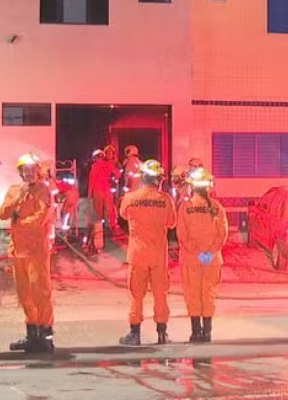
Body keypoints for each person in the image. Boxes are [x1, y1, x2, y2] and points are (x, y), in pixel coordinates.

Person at [0, 153, 56, 352]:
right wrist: (17, 200)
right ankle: (32, 334)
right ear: (20, 172)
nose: (30, 173)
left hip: (36, 251)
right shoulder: (15, 190)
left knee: (41, 292)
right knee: (24, 295)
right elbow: (2, 213)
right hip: (18, 252)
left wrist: (17, 222)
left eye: (33, 170)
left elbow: (39, 219)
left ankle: (46, 336)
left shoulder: (44, 191)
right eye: (26, 170)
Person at [118, 159, 177, 345]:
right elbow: (171, 223)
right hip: (159, 257)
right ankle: (162, 333)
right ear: (159, 179)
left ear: (143, 177)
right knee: (161, 295)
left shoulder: (130, 198)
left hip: (137, 256)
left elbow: (123, 215)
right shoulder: (166, 200)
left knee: (136, 296)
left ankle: (135, 334)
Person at [176, 167, 228, 343]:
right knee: (209, 294)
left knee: (192, 294)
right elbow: (223, 234)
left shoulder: (185, 206)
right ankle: (207, 333)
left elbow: (182, 234)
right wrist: (208, 253)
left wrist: (197, 253)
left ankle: (195, 332)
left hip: (191, 260)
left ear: (192, 187)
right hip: (212, 260)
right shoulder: (217, 207)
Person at [87, 146, 117, 251]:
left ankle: (96, 236)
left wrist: (89, 195)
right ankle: (110, 230)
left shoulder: (95, 166)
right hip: (107, 191)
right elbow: (117, 175)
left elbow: (92, 180)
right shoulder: (110, 164)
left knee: (97, 215)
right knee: (108, 212)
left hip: (98, 191)